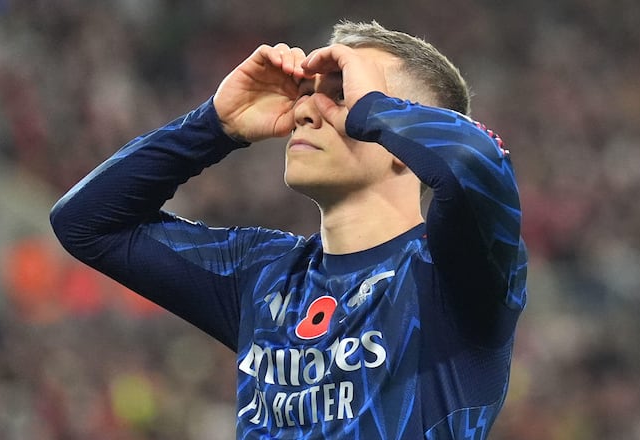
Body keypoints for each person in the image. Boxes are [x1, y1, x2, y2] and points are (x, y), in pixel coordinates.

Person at [50, 19, 528, 440]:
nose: (304, 111)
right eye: (306, 94)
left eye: (340, 95)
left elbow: (477, 162)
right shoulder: (262, 274)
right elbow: (87, 223)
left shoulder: (454, 275)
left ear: (402, 138)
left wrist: (372, 109)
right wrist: (214, 125)